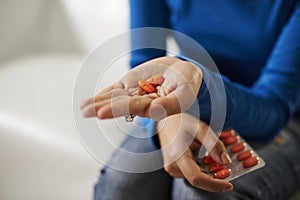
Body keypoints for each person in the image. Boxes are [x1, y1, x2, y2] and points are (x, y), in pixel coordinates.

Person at [80, 0, 300, 199]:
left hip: (283, 113)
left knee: (200, 195)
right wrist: (164, 118)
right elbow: (145, 63)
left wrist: (199, 89)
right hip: (185, 99)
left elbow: (274, 106)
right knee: (119, 188)